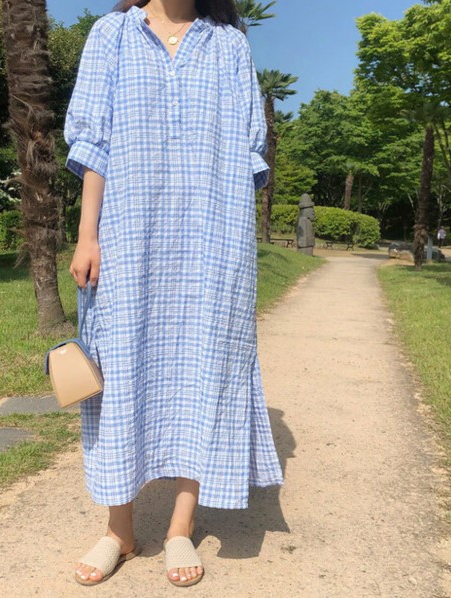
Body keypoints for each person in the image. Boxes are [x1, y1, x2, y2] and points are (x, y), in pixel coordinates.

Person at [65, 0, 284, 588]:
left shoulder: (229, 44)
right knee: (120, 367)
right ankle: (119, 529)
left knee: (206, 367)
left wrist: (235, 245)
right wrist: (87, 235)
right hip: (128, 234)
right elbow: (94, 143)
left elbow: (248, 148)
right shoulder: (111, 34)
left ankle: (180, 527)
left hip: (213, 239)